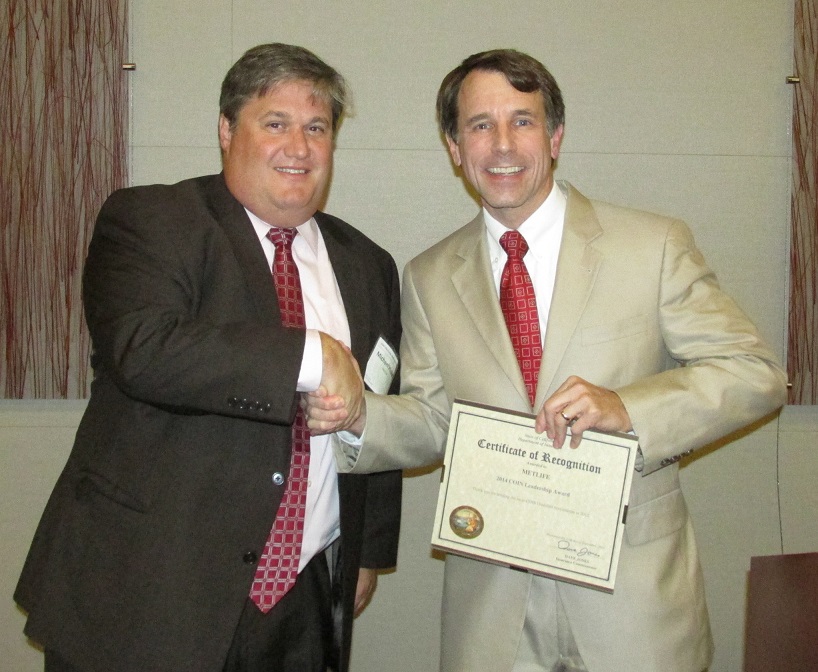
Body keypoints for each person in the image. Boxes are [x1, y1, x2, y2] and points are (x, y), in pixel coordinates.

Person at [306, 49, 788, 672]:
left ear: (555, 136)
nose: (502, 144)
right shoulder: (428, 276)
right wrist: (354, 415)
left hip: (631, 607)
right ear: (455, 147)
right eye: (479, 125)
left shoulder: (652, 245)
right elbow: (434, 421)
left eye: (523, 121)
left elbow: (755, 372)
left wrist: (627, 408)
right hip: (494, 614)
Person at [15, 43, 402, 672]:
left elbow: (377, 404)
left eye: (316, 127)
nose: (298, 147)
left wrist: (363, 550)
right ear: (227, 130)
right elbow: (143, 348)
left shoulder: (368, 265)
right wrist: (311, 352)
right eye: (275, 123)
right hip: (152, 586)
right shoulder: (153, 219)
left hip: (301, 591)